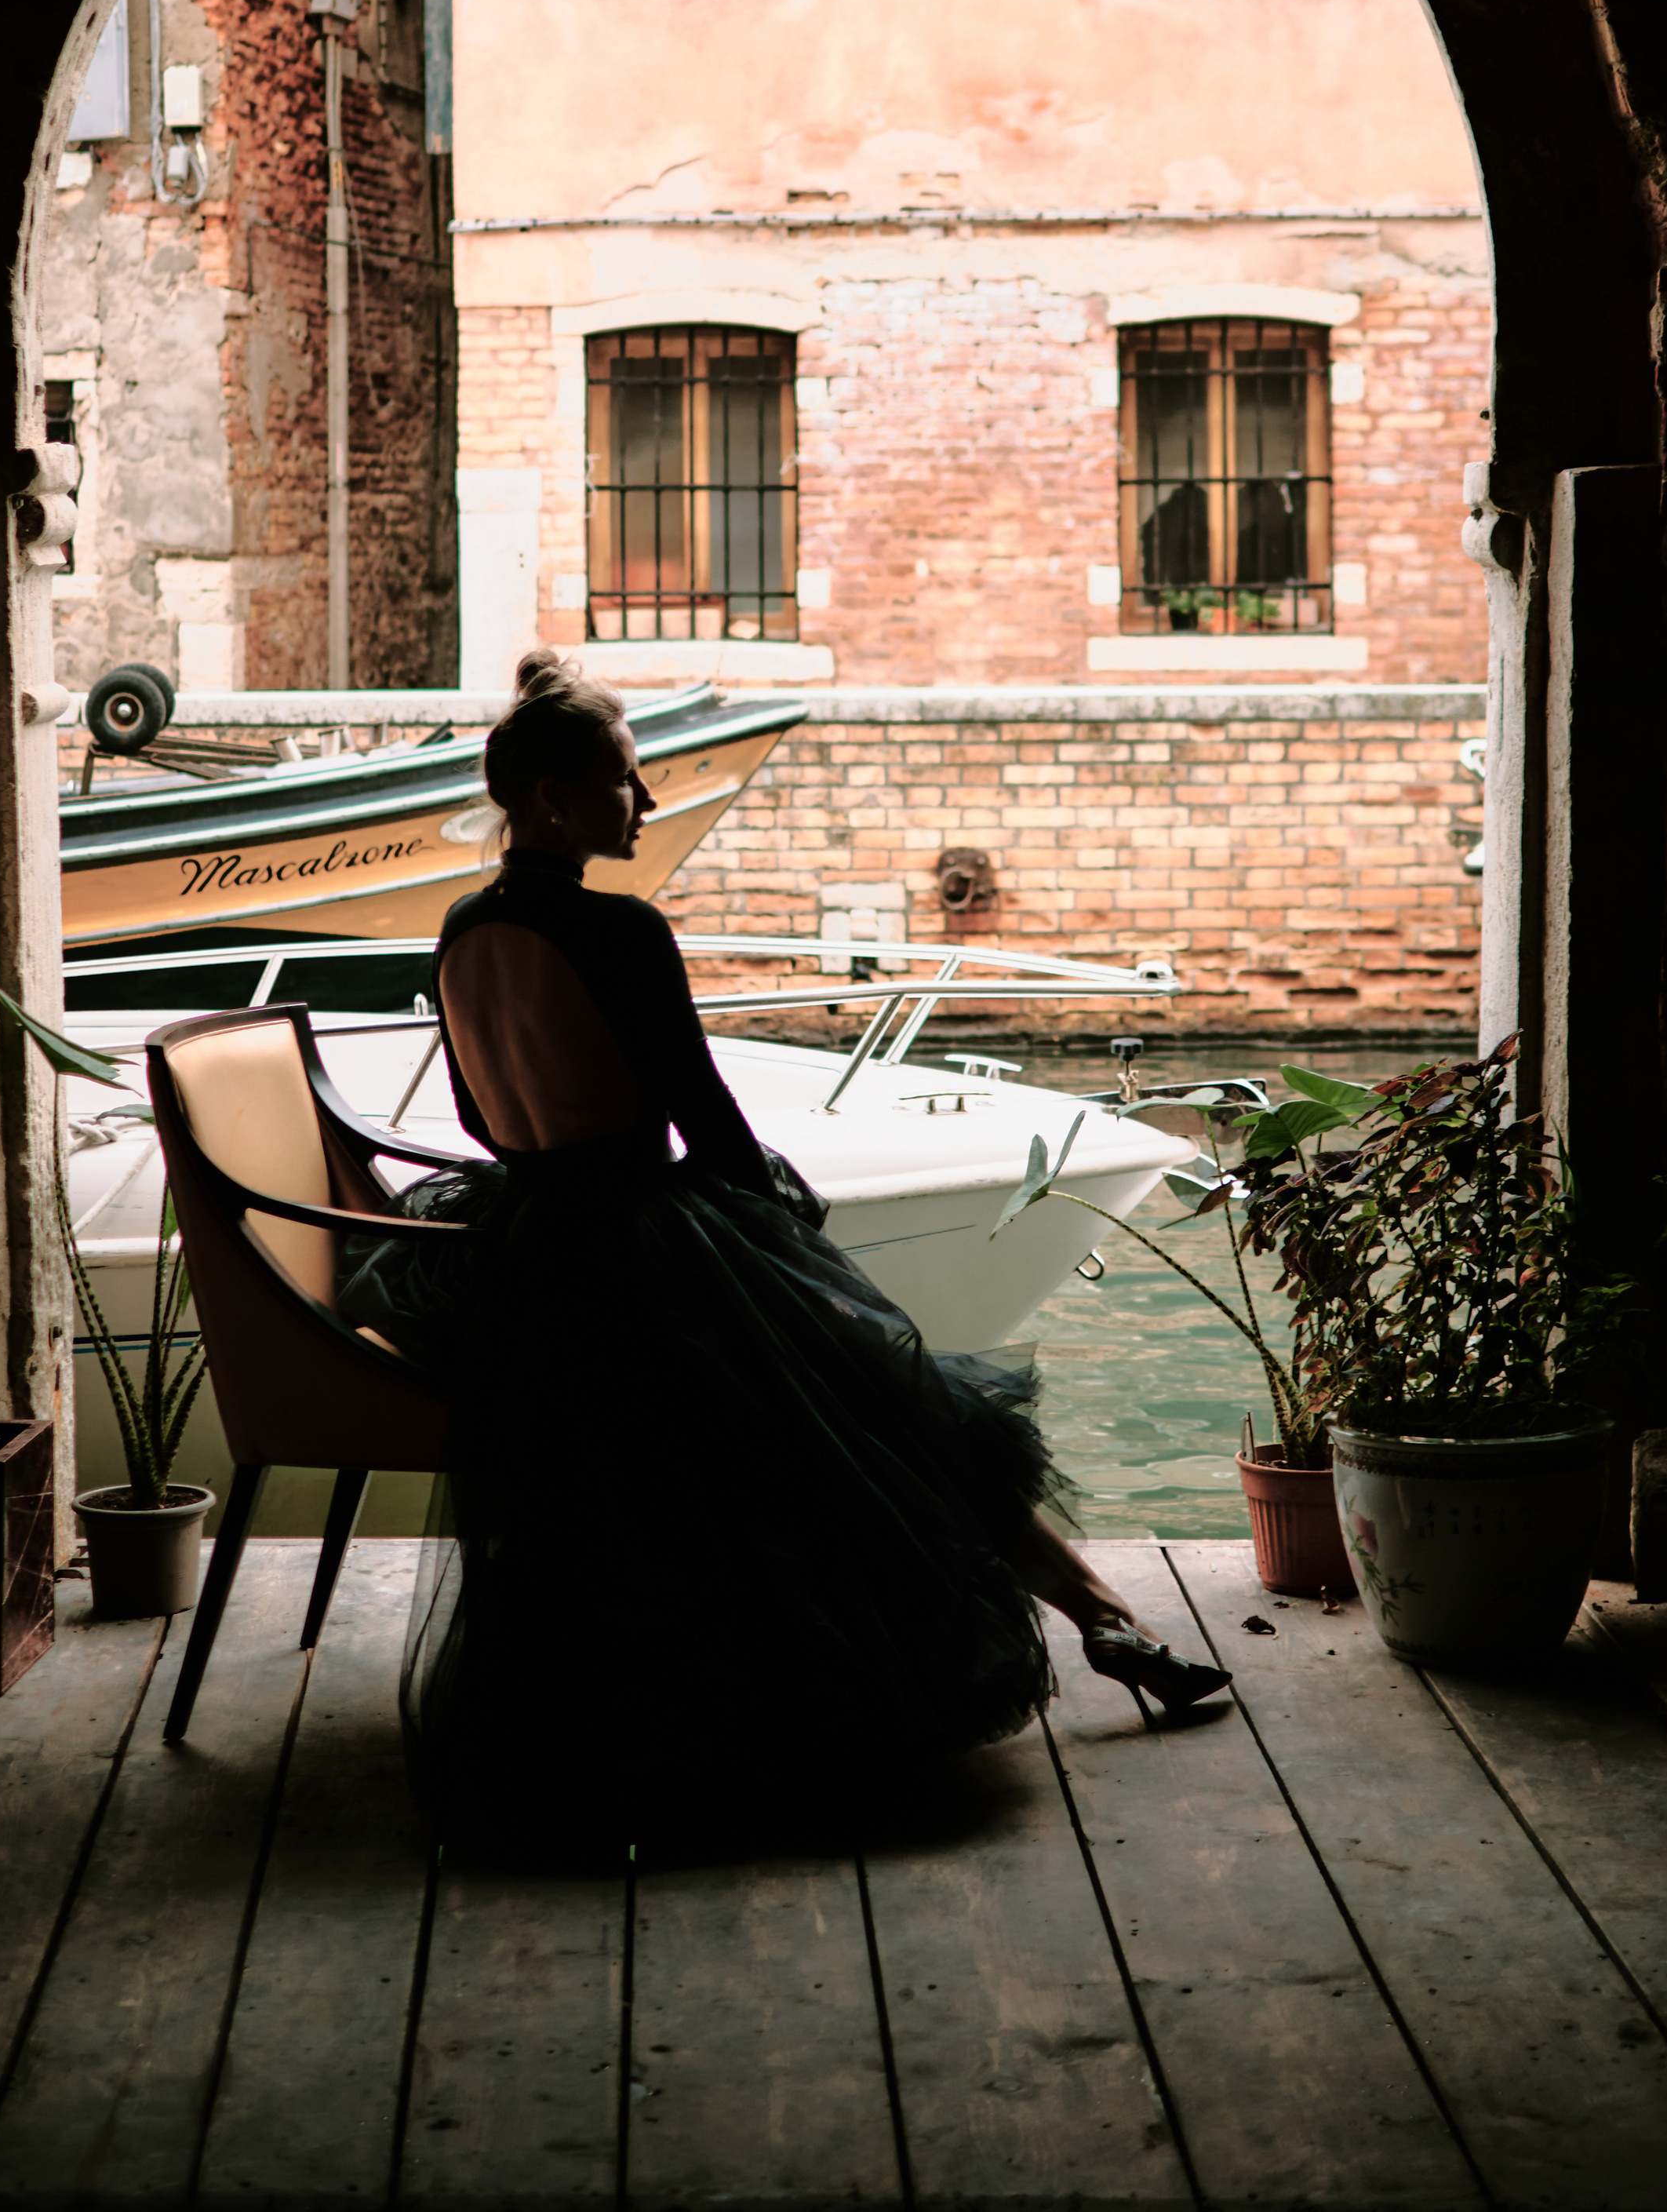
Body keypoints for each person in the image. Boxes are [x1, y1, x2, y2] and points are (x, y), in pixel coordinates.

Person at [367, 650, 1228, 1857]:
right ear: (556, 797)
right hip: (636, 1248)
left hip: (524, 1261)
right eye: (625, 780)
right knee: (897, 1409)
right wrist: (782, 1222)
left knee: (840, 1425)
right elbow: (705, 1122)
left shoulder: (461, 927)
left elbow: (473, 1118)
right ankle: (1101, 1617)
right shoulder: (621, 933)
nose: (647, 803)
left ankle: (1083, 1621)